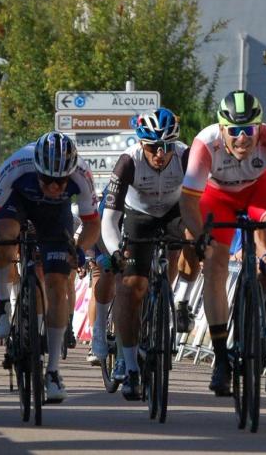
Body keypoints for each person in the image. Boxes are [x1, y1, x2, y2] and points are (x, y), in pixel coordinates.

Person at [178, 90, 266, 397]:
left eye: (249, 130)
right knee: (215, 264)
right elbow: (188, 202)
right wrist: (202, 235)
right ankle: (222, 358)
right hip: (216, 196)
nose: (242, 139)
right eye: (234, 131)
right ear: (221, 129)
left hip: (258, 191)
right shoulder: (204, 144)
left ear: (259, 128)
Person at [0, 131, 99, 402]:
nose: (54, 187)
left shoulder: (82, 174)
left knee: (56, 283)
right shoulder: (18, 164)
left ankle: (53, 370)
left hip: (55, 215)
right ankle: (0, 303)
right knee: (4, 235)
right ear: (37, 169)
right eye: (47, 179)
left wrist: (78, 249)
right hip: (17, 203)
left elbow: (92, 224)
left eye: (60, 181)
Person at [100, 108, 191, 401]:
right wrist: (116, 253)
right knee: (132, 287)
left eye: (166, 146)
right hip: (138, 215)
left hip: (175, 211)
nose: (160, 154)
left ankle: (182, 301)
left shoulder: (187, 157)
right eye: (153, 147)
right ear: (142, 144)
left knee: (194, 240)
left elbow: (203, 203)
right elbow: (109, 220)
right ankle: (130, 365)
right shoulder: (128, 162)